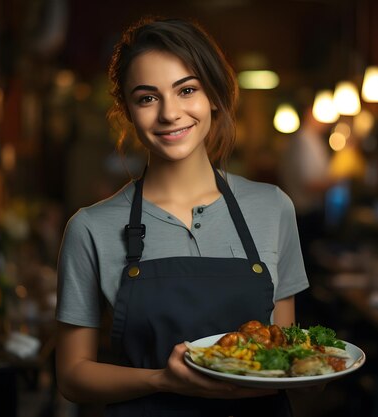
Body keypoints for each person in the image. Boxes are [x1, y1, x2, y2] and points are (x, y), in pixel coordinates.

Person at [55, 16, 309, 416]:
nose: (170, 113)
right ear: (128, 111)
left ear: (213, 95)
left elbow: (283, 349)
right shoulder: (91, 228)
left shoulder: (273, 208)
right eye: (147, 97)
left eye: (186, 90)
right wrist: (161, 379)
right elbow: (72, 376)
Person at [278, 105, 335, 269]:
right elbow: (309, 183)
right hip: (303, 215)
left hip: (304, 214)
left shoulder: (309, 140)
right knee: (307, 268)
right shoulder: (303, 141)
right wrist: (337, 180)